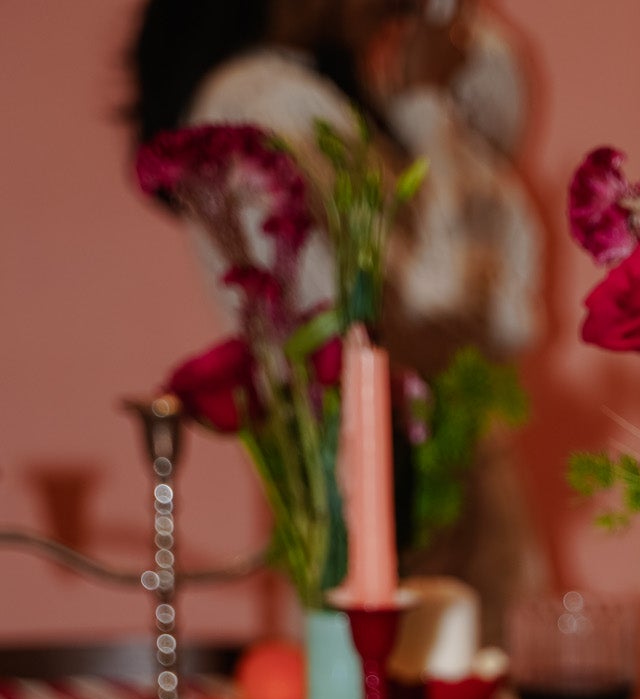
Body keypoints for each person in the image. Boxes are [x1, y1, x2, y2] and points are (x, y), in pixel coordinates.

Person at [128, 0, 544, 635]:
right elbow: (445, 301)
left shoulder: (341, 91)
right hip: (371, 485)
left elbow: (497, 88)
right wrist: (429, 110)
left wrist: (433, 68)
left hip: (444, 469)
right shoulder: (257, 100)